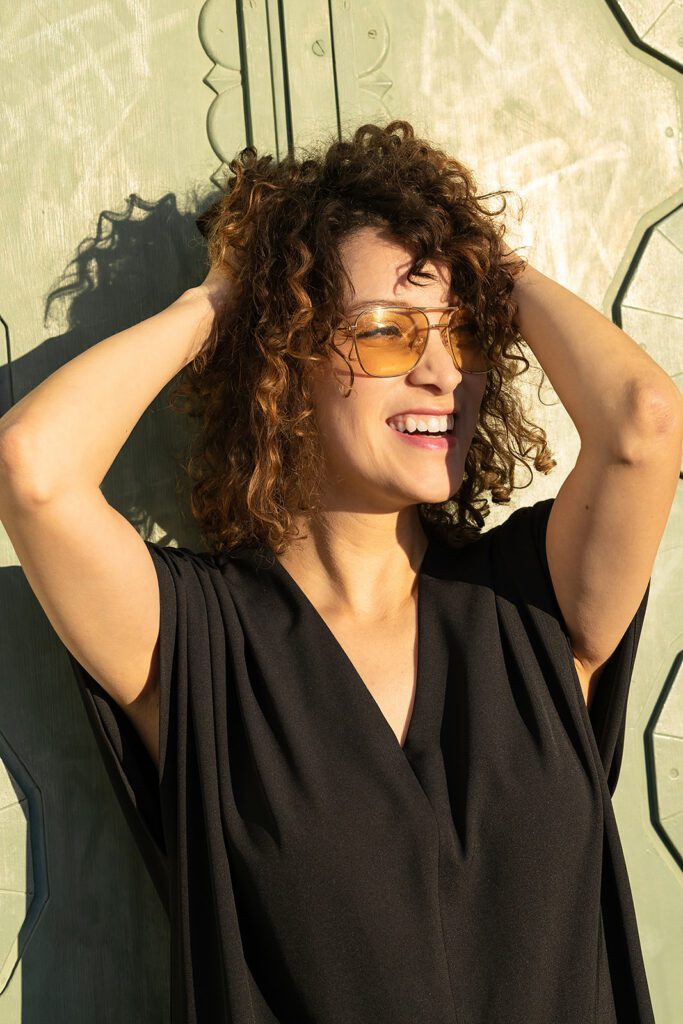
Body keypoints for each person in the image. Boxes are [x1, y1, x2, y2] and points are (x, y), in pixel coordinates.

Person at [0, 121, 680, 1024]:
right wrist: (222, 299)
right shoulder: (203, 646)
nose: (444, 373)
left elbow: (644, 419)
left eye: (465, 334)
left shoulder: (530, 606)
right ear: (288, 358)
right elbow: (32, 470)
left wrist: (491, 270)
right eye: (390, 334)